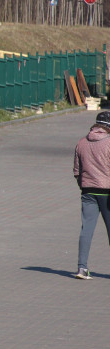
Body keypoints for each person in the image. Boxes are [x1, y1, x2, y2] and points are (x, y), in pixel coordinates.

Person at [72, 111, 110, 279]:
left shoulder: (81, 142)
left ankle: (82, 268)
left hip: (88, 191)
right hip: (107, 193)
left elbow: (76, 171)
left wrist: (84, 185)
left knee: (86, 230)